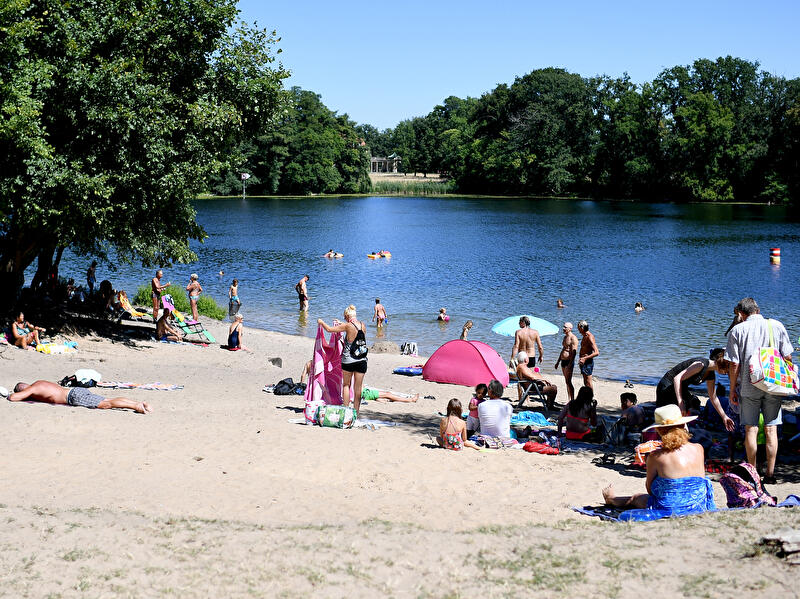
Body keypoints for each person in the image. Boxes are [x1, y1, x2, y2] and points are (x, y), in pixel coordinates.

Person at [724, 297, 794, 485]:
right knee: (771, 429)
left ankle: (753, 474)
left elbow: (734, 364)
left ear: (740, 314)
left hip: (748, 385)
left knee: (751, 429)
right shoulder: (776, 326)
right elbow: (788, 356)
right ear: (758, 309)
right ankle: (770, 475)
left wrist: (732, 389)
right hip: (773, 384)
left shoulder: (737, 331)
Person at [601, 404, 715, 516]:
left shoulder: (656, 456)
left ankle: (611, 499)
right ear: (683, 425)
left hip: (669, 507)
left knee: (635, 498)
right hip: (699, 504)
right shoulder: (699, 448)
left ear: (659, 430)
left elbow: (651, 490)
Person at [656, 349, 733, 430]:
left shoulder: (710, 374)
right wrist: (680, 402)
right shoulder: (700, 364)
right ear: (723, 364)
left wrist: (724, 416)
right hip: (667, 385)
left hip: (681, 388)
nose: (727, 372)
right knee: (668, 419)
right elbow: (677, 378)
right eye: (728, 369)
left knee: (681, 416)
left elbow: (713, 398)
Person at [318, 305, 367, 413]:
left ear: (347, 316)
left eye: (344, 317)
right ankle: (356, 413)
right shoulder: (363, 325)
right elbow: (354, 331)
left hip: (348, 361)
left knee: (346, 385)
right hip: (362, 360)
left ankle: (346, 411)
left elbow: (329, 329)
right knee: (358, 388)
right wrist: (342, 324)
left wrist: (321, 322)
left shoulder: (347, 326)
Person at [8, 380, 151, 414]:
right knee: (107, 401)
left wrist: (13, 394)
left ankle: (136, 406)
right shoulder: (40, 383)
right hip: (75, 391)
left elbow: (13, 398)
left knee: (107, 404)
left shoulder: (34, 387)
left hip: (73, 397)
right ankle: (137, 403)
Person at [555, 321, 579, 403]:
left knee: (569, 381)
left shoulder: (573, 338)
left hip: (569, 361)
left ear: (570, 329)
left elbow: (574, 353)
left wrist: (570, 364)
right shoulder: (565, 337)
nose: (563, 328)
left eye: (565, 327)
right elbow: (563, 349)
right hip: (563, 361)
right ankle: (569, 399)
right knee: (566, 381)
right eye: (563, 327)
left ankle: (572, 400)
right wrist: (558, 361)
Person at [577, 320, 599, 389]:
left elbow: (596, 352)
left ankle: (591, 398)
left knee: (588, 382)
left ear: (582, 328)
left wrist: (584, 358)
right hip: (583, 362)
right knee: (585, 382)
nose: (578, 330)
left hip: (587, 362)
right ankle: (587, 398)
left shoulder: (590, 337)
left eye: (579, 328)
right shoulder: (584, 336)